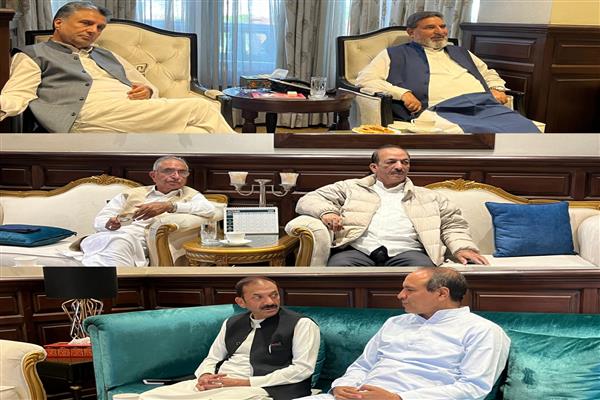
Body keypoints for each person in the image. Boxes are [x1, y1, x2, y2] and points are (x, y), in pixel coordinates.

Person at [0, 1, 234, 133]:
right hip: (83, 114)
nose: (93, 31)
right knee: (202, 108)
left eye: (99, 27)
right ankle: (246, 167)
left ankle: (222, 181)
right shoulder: (34, 54)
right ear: (58, 23)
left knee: (196, 133)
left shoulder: (106, 54)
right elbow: (17, 93)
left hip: (126, 109)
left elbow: (147, 85)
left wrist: (147, 91)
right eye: (86, 23)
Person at [297, 267, 510, 400]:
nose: (400, 295)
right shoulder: (395, 322)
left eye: (410, 290)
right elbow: (363, 366)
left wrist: (397, 398)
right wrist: (341, 386)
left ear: (441, 293)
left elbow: (473, 388)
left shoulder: (483, 331)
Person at [295, 145, 487, 267]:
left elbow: (452, 225)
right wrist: (327, 212)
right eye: (391, 162)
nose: (399, 167)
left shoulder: (430, 197)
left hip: (408, 252)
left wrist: (461, 248)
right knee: (339, 270)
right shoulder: (350, 188)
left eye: (405, 162)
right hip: (357, 250)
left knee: (425, 276)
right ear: (374, 167)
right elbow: (309, 199)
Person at [355, 11, 540, 133]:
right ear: (411, 33)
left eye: (442, 26)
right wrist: (402, 93)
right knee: (474, 133)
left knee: (525, 130)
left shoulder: (461, 52)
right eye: (430, 27)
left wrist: (496, 88)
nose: (440, 31)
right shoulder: (394, 54)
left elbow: (488, 73)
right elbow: (365, 80)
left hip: (484, 105)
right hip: (440, 109)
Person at [140, 277, 321, 400]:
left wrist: (244, 383)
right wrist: (205, 376)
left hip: (266, 388)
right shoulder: (232, 323)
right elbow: (213, 358)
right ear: (241, 302)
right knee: (148, 397)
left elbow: (302, 369)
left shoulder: (301, 324)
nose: (270, 302)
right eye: (258, 297)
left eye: (274, 295)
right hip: (222, 382)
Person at [79, 155, 215, 266]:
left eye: (182, 172)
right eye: (168, 171)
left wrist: (169, 206)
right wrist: (109, 224)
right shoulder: (131, 193)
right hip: (110, 234)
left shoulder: (191, 195)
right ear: (153, 175)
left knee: (117, 245)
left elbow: (209, 210)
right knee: (106, 246)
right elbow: (100, 220)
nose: (176, 176)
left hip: (138, 239)